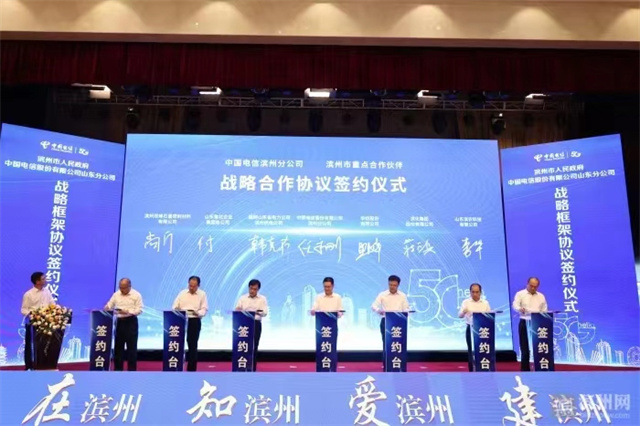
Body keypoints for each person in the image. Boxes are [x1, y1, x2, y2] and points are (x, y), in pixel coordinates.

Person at [104, 278, 143, 371]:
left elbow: (139, 310)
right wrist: (107, 307)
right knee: (118, 348)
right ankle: (118, 370)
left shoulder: (136, 295)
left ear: (129, 286)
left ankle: (132, 371)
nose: (121, 290)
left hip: (131, 322)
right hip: (119, 322)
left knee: (131, 348)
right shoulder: (116, 294)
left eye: (124, 288)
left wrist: (128, 311)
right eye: (120, 287)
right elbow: (110, 304)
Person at [371, 275, 410, 366]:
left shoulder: (402, 296)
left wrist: (407, 312)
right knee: (387, 344)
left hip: (399, 323)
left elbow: (406, 308)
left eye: (394, 285)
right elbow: (373, 306)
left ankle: (398, 364)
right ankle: (387, 364)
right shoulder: (382, 295)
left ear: (398, 285)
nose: (392, 287)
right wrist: (379, 311)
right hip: (386, 322)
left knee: (399, 344)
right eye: (390, 285)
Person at [172, 276, 208, 372]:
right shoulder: (182, 293)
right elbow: (174, 306)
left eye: (194, 286)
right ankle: (176, 366)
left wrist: (198, 313)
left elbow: (204, 309)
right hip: (181, 320)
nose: (191, 288)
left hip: (194, 320)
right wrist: (177, 311)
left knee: (192, 345)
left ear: (198, 286)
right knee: (177, 343)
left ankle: (191, 370)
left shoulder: (202, 294)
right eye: (190, 285)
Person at [20, 272, 55, 370]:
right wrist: (33, 314)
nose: (46, 280)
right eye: (43, 279)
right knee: (30, 345)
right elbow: (23, 310)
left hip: (47, 323)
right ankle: (30, 366)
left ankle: (45, 365)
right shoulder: (28, 294)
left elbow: (52, 304)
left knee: (46, 345)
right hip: (33, 324)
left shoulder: (47, 291)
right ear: (37, 281)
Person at [512, 277, 547, 371]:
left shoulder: (541, 296)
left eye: (535, 286)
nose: (533, 288)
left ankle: (540, 368)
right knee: (525, 348)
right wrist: (520, 309)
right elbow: (515, 305)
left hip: (538, 323)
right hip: (525, 321)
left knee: (539, 347)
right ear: (527, 284)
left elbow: (544, 309)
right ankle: (525, 370)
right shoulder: (520, 294)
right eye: (531, 286)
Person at [235, 279, 268, 371]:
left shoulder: (262, 299)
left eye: (255, 289)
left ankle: (252, 369)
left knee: (254, 347)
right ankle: (241, 368)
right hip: (243, 325)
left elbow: (264, 312)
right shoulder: (242, 298)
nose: (252, 291)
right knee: (243, 347)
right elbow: (237, 309)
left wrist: (253, 312)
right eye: (251, 288)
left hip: (255, 324)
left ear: (258, 289)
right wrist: (240, 310)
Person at [458, 283, 491, 372]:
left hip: (483, 330)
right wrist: (464, 312)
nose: (475, 294)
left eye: (477, 292)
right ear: (470, 292)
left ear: (480, 292)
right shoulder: (466, 302)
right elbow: (460, 315)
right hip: (471, 328)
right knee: (471, 350)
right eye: (473, 292)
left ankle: (483, 369)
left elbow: (489, 316)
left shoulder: (485, 303)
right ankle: (472, 371)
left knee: (483, 349)